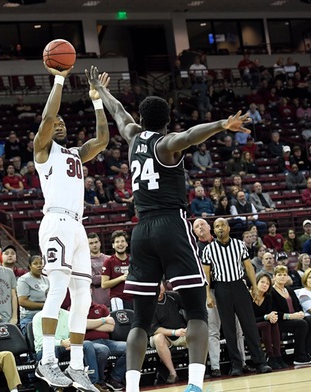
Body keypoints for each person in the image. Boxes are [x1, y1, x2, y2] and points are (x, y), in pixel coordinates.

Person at [90, 66, 252, 392]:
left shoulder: (133, 135)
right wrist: (222, 124)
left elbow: (119, 113)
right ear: (166, 120)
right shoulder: (167, 144)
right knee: (196, 310)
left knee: (140, 320)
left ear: (142, 117)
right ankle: (194, 384)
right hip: (171, 225)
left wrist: (101, 91)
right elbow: (190, 136)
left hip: (141, 229)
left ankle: (132, 388)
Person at [33, 65, 109, 391]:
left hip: (78, 226)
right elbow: (49, 118)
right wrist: (60, 79)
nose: (60, 125)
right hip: (56, 222)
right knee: (58, 289)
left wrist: (97, 100)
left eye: (64, 122)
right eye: (56, 123)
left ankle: (77, 366)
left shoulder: (76, 154)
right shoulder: (42, 150)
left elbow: (103, 140)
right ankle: (47, 360)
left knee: (82, 297)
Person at [203, 218, 272, 376]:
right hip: (221, 288)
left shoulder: (239, 245)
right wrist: (207, 294)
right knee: (228, 329)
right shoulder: (209, 249)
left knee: (249, 325)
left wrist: (254, 287)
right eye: (217, 226)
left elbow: (248, 267)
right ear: (214, 230)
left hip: (239, 286)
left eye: (222, 225)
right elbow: (206, 274)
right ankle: (236, 365)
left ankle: (260, 362)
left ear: (228, 228)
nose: (220, 228)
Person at [271, 265, 311, 364]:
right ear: (274, 277)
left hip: (295, 318)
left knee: (309, 320)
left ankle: (308, 352)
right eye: (279, 274)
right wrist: (291, 316)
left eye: (285, 274)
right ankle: (298, 356)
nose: (282, 277)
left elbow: (297, 306)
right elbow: (274, 312)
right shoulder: (271, 292)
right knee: (301, 324)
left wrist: (301, 312)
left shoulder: (289, 290)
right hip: (281, 320)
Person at [150, 281, 187, 384]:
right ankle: (172, 373)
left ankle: (199, 370)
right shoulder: (148, 304)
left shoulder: (174, 296)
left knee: (198, 333)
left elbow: (191, 309)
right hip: (166, 337)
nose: (159, 287)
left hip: (182, 332)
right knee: (158, 338)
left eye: (160, 284)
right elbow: (155, 329)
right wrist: (175, 332)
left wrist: (191, 325)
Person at [85, 300, 127, 391]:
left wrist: (90, 325)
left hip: (107, 341)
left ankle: (114, 378)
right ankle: (100, 381)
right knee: (103, 350)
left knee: (130, 347)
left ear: (91, 291)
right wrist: (103, 320)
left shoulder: (101, 307)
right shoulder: (75, 308)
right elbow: (81, 325)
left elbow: (110, 327)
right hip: (89, 344)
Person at [251, 273, 288, 369]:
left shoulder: (268, 297)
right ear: (256, 283)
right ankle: (271, 356)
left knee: (273, 323)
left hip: (263, 322)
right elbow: (249, 318)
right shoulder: (248, 296)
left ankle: (278, 356)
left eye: (267, 284)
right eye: (262, 282)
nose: (265, 285)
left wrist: (272, 317)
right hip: (250, 325)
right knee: (265, 324)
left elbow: (268, 315)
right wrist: (266, 317)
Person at [17, 254, 49, 335]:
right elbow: (22, 302)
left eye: (40, 263)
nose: (39, 266)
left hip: (45, 315)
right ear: (30, 266)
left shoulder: (47, 279)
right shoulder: (24, 280)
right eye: (35, 263)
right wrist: (44, 305)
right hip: (30, 317)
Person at [101, 230, 133, 311]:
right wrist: (121, 278)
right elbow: (104, 284)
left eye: (122, 241)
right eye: (117, 242)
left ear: (126, 244)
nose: (120, 244)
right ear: (113, 245)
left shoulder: (133, 260)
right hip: (118, 300)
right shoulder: (108, 262)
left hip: (134, 298)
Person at [88, 232, 110, 307]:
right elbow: (93, 279)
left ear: (100, 243)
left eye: (96, 242)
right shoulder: (86, 262)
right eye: (91, 243)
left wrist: (100, 276)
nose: (94, 245)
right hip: (98, 302)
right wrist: (109, 275)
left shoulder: (109, 258)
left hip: (112, 300)